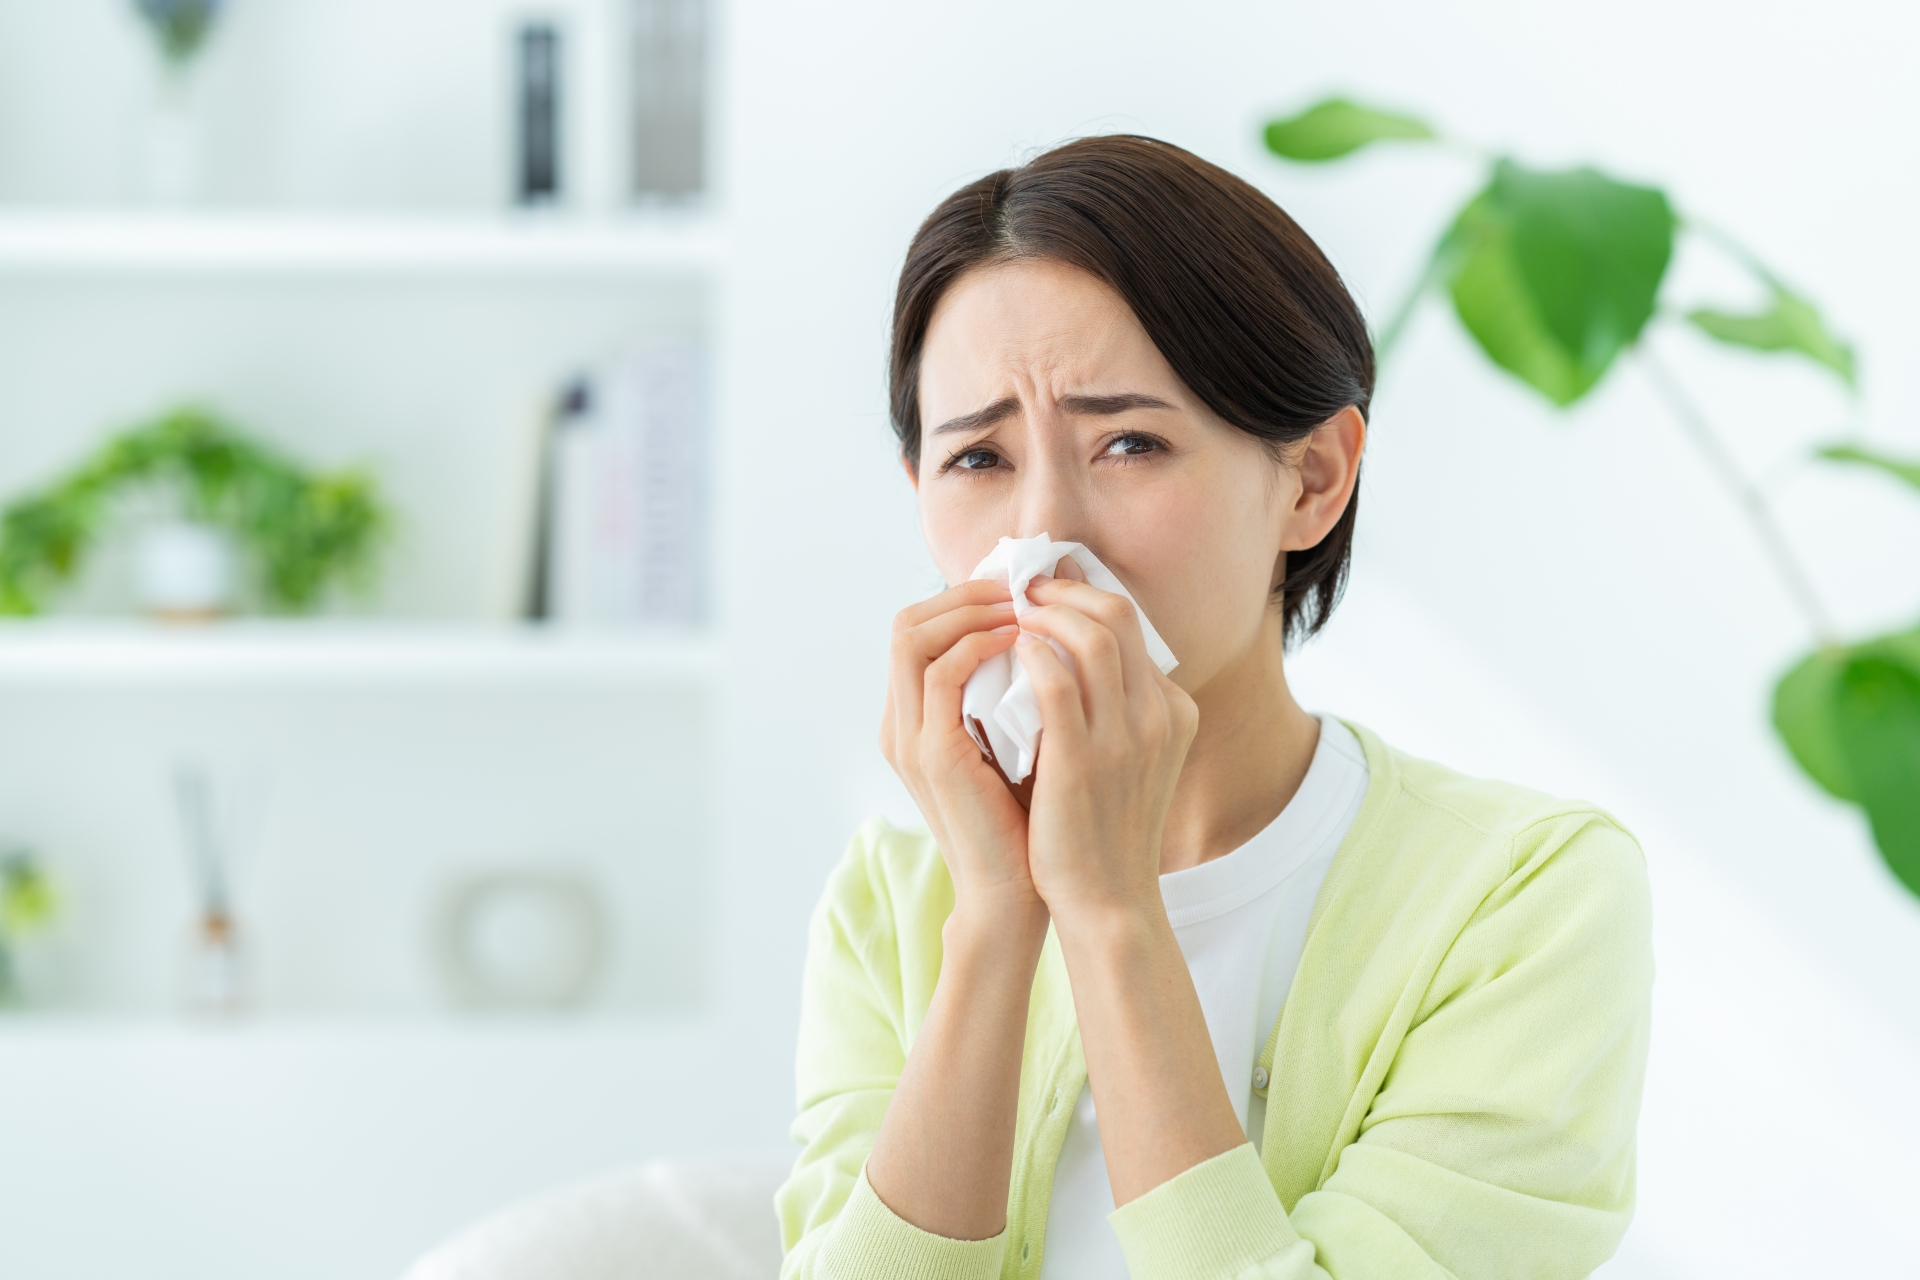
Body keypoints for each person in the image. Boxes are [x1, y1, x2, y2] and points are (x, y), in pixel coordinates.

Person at [775, 135, 1652, 1280]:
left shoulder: (1528, 898)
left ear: (1313, 477)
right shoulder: (892, 905)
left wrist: (1111, 910)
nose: (1046, 534)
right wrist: (997, 914)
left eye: (1129, 442)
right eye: (979, 459)